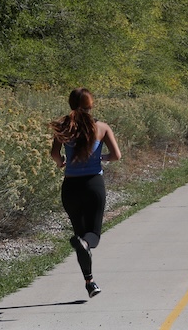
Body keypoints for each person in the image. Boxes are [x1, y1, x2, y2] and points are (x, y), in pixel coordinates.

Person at [50, 88, 122, 298]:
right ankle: (88, 275)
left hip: (71, 188)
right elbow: (116, 155)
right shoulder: (101, 127)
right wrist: (102, 159)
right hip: (93, 185)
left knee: (81, 238)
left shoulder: (64, 128)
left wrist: (61, 163)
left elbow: (54, 153)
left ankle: (90, 282)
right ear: (91, 105)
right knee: (92, 238)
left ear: (71, 104)